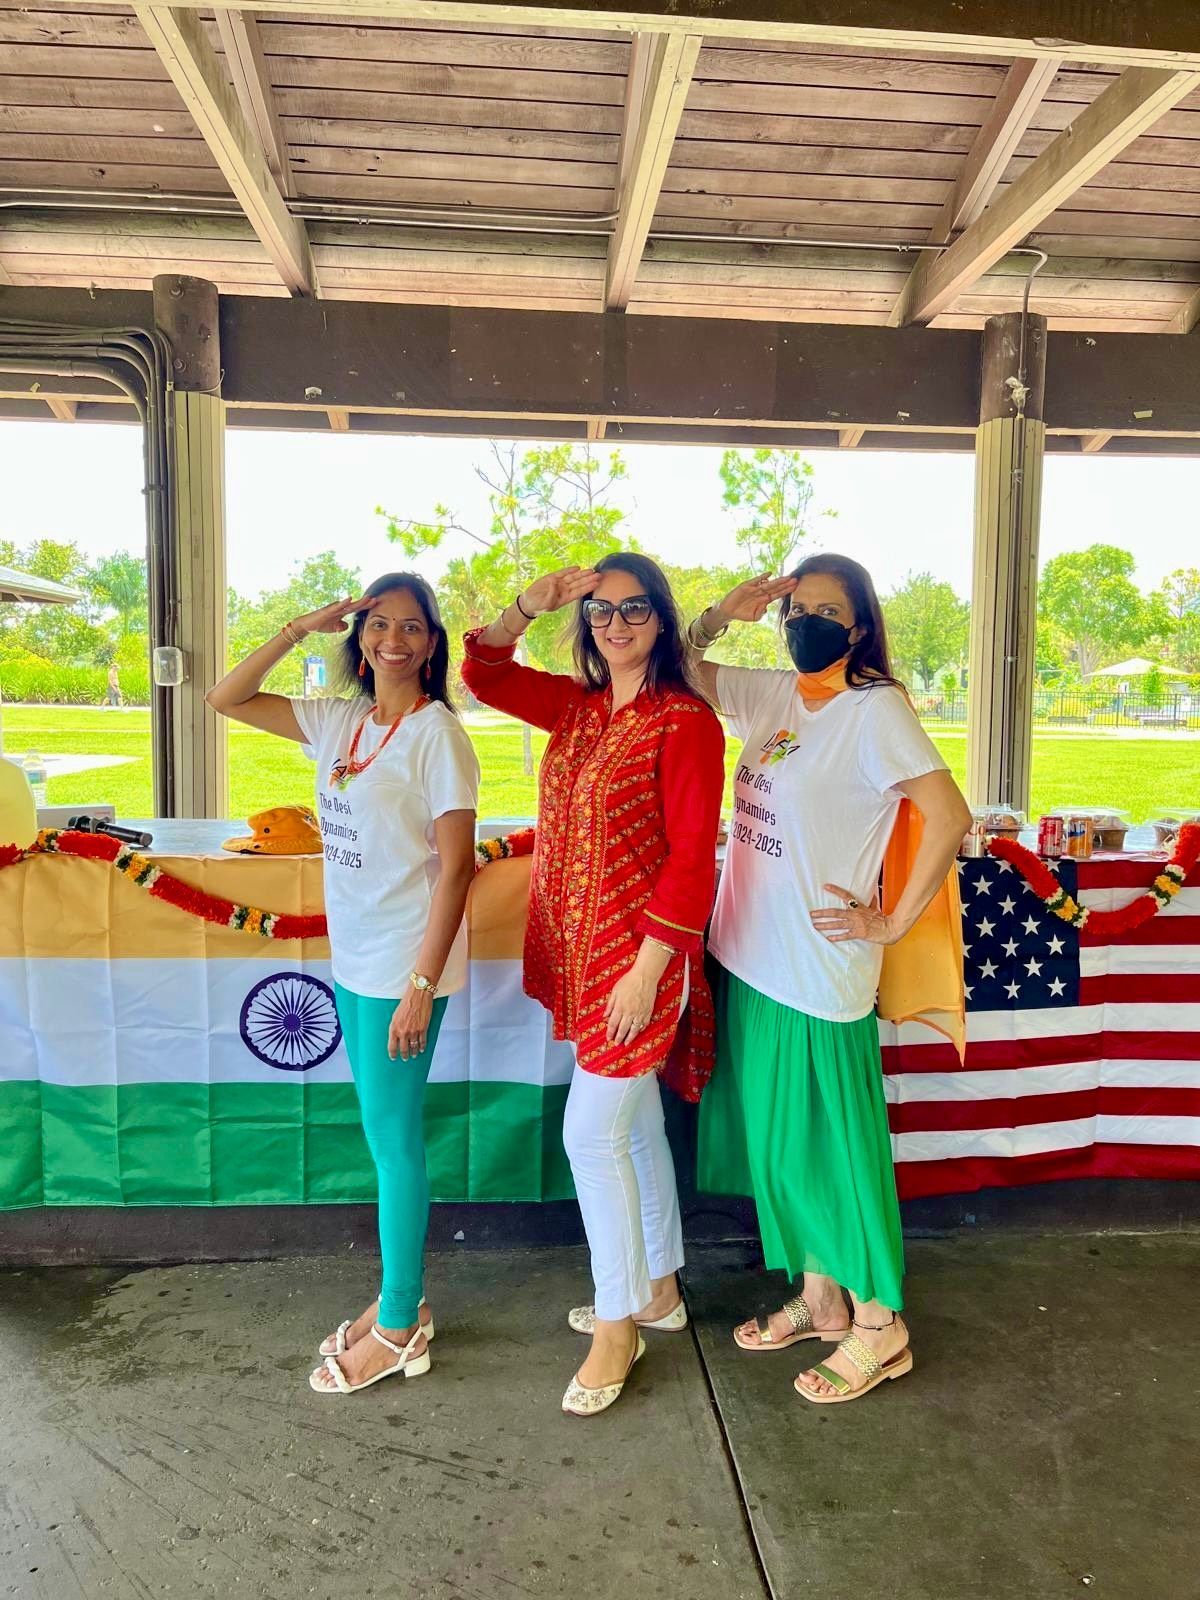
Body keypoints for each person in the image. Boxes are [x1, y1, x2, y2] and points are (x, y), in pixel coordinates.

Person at [690, 553, 971, 1406]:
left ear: (857, 626)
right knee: (784, 1150)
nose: (804, 619)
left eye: (825, 608)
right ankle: (822, 1303)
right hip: (751, 956)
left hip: (819, 971)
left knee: (837, 1153)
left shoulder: (873, 709)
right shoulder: (775, 695)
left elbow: (949, 815)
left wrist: (887, 918)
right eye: (795, 606)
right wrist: (718, 616)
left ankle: (881, 1325)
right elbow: (681, 670)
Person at [461, 555, 725, 1417]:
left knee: (590, 1136)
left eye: (635, 608)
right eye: (602, 611)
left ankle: (617, 1325)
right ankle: (657, 1289)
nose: (617, 623)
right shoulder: (573, 709)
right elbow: (481, 670)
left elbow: (693, 859)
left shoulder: (685, 721)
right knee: (634, 1124)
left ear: (661, 617)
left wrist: (651, 970)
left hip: (640, 961)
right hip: (578, 954)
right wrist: (528, 604)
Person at [206, 572, 479, 1396]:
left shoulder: (439, 737)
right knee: (379, 1132)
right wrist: (297, 625)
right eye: (376, 624)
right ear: (359, 636)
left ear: (431, 643)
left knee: (394, 1145)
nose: (391, 639)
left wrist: (422, 983)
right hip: (356, 961)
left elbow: (459, 867)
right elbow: (226, 696)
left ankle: (399, 1324)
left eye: (410, 627)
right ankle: (403, 1300)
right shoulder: (340, 720)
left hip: (406, 969)